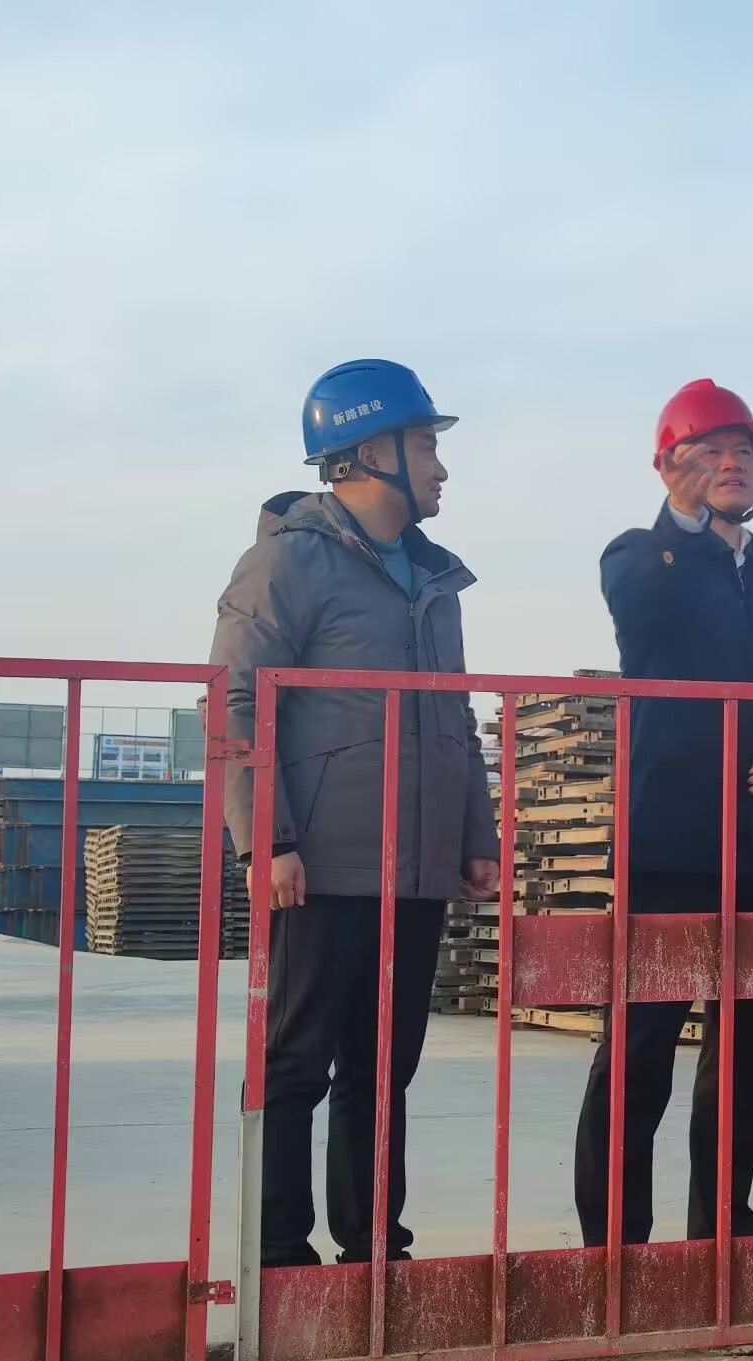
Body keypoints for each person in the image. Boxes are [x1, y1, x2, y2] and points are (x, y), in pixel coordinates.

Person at [212, 359, 500, 1267]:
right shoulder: (286, 562)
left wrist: (475, 835)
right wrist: (268, 839)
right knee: (297, 1059)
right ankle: (278, 1257)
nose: (442, 467)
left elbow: (454, 716)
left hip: (414, 867)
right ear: (369, 452)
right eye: (425, 446)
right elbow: (233, 703)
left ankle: (374, 1249)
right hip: (321, 864)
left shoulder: (434, 580)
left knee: (385, 1069)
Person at [577, 379, 753, 1246]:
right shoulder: (639, 555)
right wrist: (681, 524)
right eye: (711, 452)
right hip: (674, 844)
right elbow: (639, 610)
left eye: (744, 453)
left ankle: (720, 1234)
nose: (733, 466)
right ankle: (615, 1246)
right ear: (667, 467)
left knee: (746, 1054)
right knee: (639, 1051)